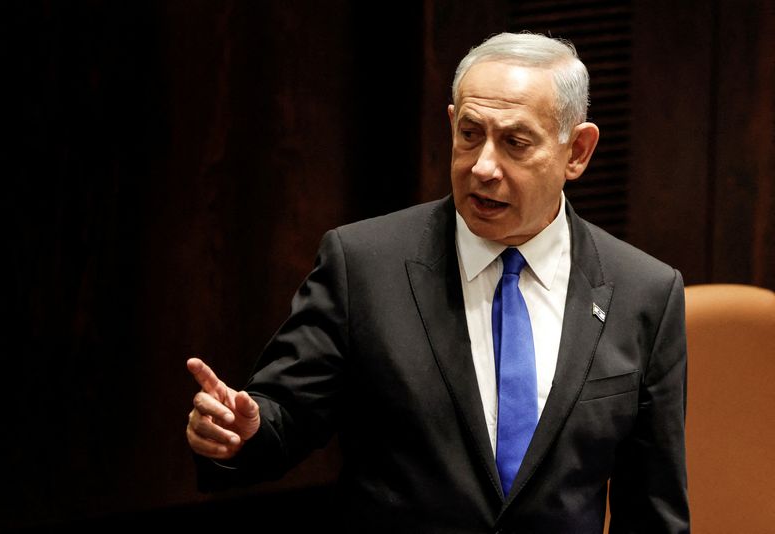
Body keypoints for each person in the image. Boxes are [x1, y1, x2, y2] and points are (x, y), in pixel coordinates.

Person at [185, 31, 690, 533]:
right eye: (470, 134)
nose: (484, 166)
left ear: (576, 151)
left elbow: (653, 508)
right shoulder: (363, 265)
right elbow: (283, 418)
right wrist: (241, 433)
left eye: (515, 143)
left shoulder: (644, 292)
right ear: (452, 124)